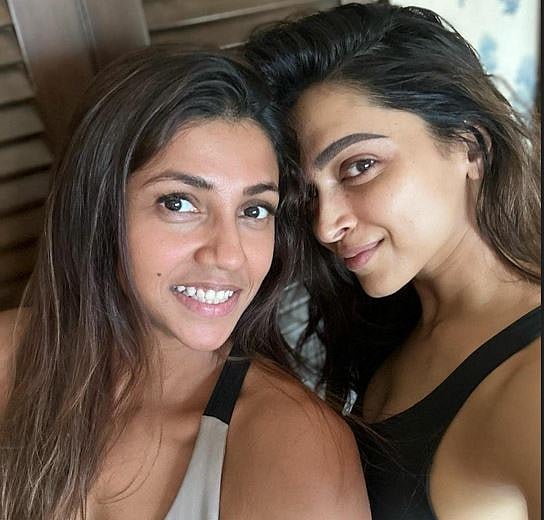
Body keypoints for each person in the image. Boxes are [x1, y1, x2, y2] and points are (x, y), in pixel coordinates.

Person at [0, 45, 370, 520]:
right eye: (179, 203)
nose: (229, 254)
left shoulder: (294, 447)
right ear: (98, 208)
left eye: (254, 210)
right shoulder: (9, 356)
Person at [244, 3, 541, 519]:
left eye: (360, 166)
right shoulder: (394, 329)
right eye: (309, 195)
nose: (325, 225)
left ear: (470, 147)